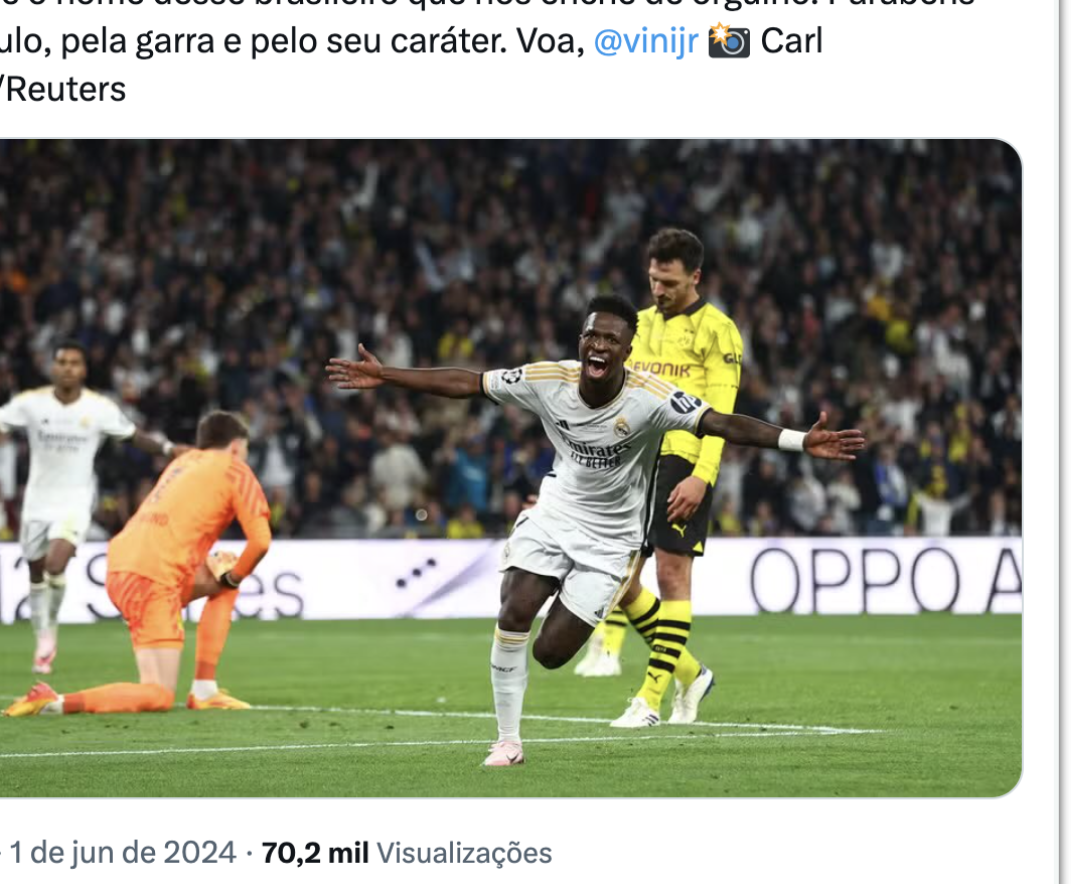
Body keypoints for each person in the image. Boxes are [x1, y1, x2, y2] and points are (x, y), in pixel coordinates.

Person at [327, 294, 864, 767]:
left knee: (550, 653)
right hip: (554, 515)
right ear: (581, 340)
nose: (600, 345)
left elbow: (720, 422)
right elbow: (469, 383)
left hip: (611, 541)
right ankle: (507, 741)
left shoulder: (651, 397)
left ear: (628, 350)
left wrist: (798, 441)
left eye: (612, 339)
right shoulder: (548, 380)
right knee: (513, 611)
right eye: (592, 335)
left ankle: (645, 644)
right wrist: (387, 375)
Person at [0, 339, 181, 674]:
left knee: (56, 562)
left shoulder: (99, 408)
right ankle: (45, 631)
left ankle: (50, 627)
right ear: (53, 368)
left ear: (83, 370)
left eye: (74, 363)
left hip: (75, 499)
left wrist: (169, 449)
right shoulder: (32, 403)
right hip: (38, 501)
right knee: (37, 571)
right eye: (62, 362)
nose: (68, 368)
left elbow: (134, 436)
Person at [574, 227, 744, 731]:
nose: (659, 290)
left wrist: (702, 477)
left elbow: (722, 415)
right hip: (629, 462)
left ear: (695, 277)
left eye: (669, 282)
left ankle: (648, 699)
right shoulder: (635, 326)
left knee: (671, 577)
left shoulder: (719, 331)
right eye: (653, 279)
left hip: (682, 460)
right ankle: (691, 673)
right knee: (618, 581)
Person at [1, 411, 272, 717]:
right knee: (158, 694)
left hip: (123, 565)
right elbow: (260, 542)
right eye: (245, 449)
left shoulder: (182, 463)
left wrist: (223, 574)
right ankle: (53, 702)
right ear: (235, 446)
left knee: (224, 574)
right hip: (154, 577)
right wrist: (235, 577)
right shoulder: (235, 470)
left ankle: (205, 691)